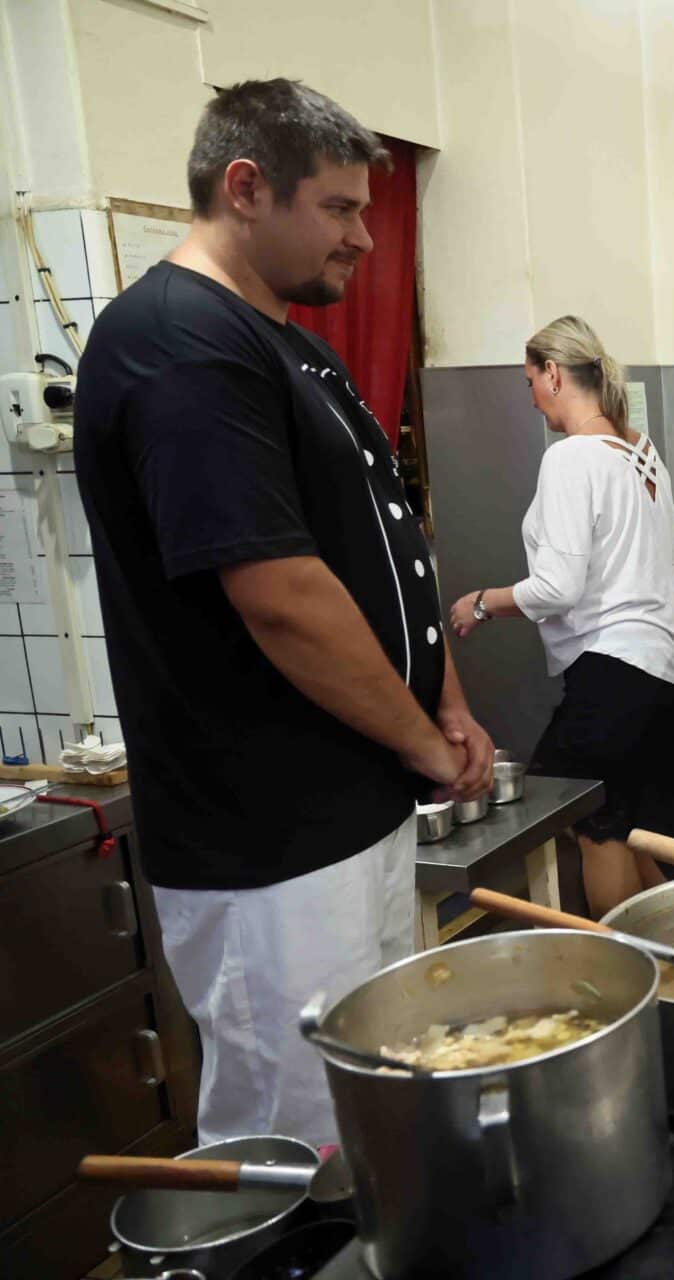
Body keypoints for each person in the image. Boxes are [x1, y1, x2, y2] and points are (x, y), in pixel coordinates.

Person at [75, 80, 494, 1147]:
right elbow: (283, 597)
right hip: (265, 840)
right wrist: (425, 744)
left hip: (349, 809)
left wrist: (444, 705)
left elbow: (387, 544)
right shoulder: (177, 343)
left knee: (373, 1104)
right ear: (247, 188)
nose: (362, 239)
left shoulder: (285, 341)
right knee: (298, 1136)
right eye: (341, 210)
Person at [448, 317, 674, 914]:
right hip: (658, 669)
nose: (531, 398)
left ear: (553, 374)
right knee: (623, 821)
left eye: (531, 382)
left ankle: (628, 972)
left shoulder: (570, 458)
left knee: (592, 825)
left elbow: (556, 587)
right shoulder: (641, 452)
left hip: (609, 671)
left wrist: (483, 602)